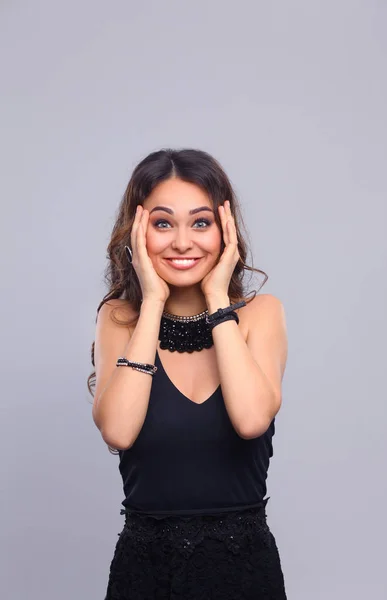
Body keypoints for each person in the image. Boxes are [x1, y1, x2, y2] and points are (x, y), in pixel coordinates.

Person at [88, 148, 288, 599]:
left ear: (225, 230)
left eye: (201, 223)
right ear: (137, 232)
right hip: (145, 574)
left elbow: (252, 420)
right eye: (163, 223)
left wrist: (218, 299)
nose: (182, 242)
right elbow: (118, 432)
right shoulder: (119, 319)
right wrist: (153, 304)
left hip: (244, 574)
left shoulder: (262, 314)